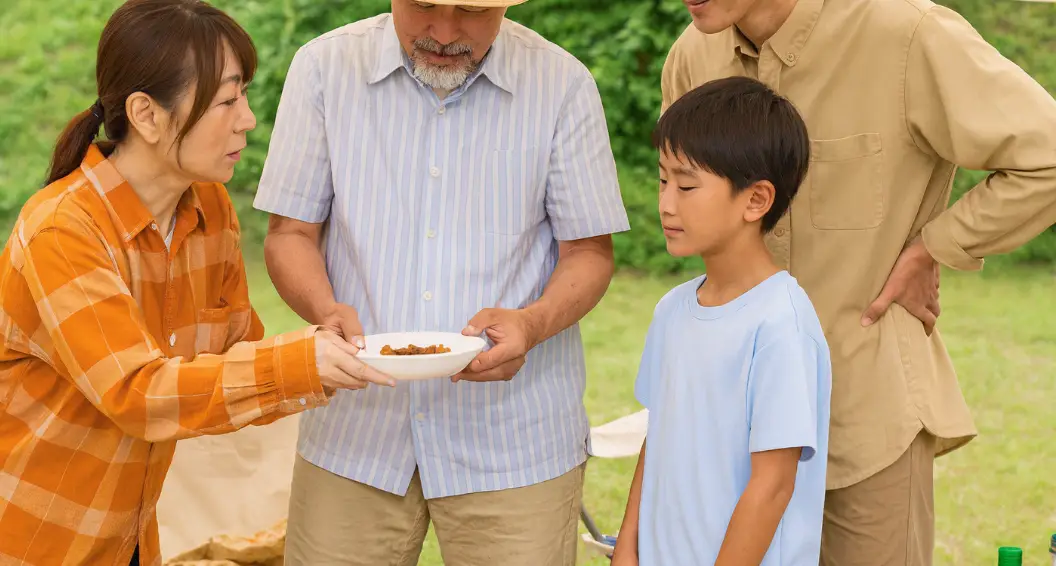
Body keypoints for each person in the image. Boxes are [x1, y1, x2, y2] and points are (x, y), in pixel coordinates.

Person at [659, 0, 1056, 563]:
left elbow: (1047, 155)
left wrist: (933, 248)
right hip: (730, 431)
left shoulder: (908, 34)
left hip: (862, 422)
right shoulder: (691, 57)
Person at [0, 1, 394, 565]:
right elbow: (138, 394)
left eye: (245, 96)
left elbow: (235, 358)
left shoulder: (208, 208)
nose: (248, 120)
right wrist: (296, 363)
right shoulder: (63, 231)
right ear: (146, 114)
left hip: (131, 539)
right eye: (227, 101)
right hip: (34, 542)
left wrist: (334, 353)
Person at [252, 0, 630, 563]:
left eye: (472, 12)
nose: (445, 31)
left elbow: (589, 252)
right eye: (425, 6)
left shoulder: (563, 83)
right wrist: (323, 308)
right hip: (355, 432)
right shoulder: (323, 68)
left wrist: (532, 322)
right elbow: (289, 234)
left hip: (514, 438)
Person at [609, 77, 831, 566]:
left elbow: (772, 485)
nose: (666, 203)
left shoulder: (780, 325)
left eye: (687, 185)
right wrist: (628, 544)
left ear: (756, 201)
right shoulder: (671, 311)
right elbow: (659, 438)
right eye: (663, 180)